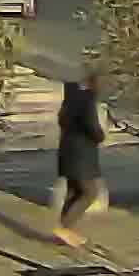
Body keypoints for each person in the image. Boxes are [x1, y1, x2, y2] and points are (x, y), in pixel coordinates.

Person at [50, 71, 108, 245]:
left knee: (74, 192)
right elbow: (92, 126)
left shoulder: (70, 98)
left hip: (68, 152)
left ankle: (65, 230)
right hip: (82, 155)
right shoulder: (87, 101)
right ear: (94, 84)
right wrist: (100, 136)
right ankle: (64, 228)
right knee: (90, 192)